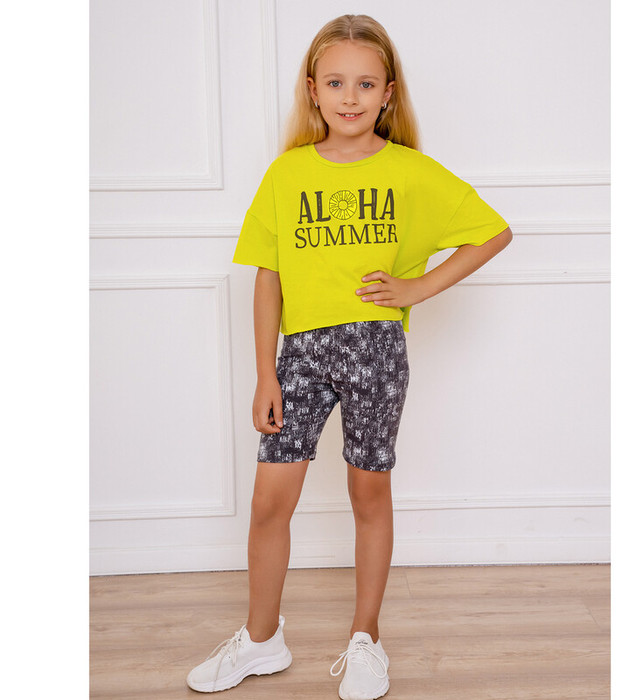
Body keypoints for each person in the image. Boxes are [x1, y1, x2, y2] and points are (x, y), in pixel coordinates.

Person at [186, 13, 512, 700]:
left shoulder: (410, 171)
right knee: (270, 500)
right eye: (335, 82)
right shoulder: (287, 174)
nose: (350, 97)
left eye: (366, 83)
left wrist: (417, 287)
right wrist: (266, 373)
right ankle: (261, 640)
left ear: (388, 93)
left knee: (369, 492)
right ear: (312, 89)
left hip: (375, 351)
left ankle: (366, 638)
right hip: (300, 357)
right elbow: (268, 277)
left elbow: (492, 232)